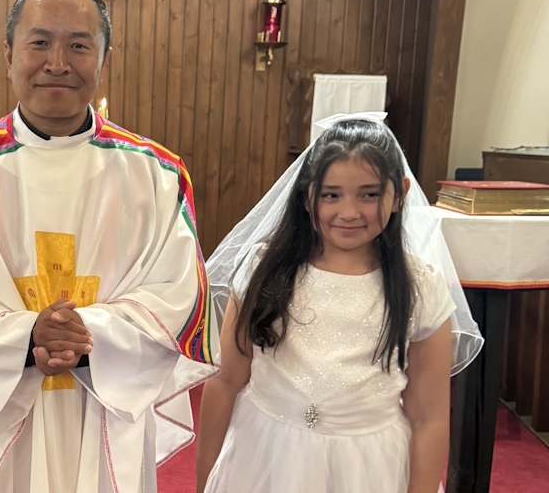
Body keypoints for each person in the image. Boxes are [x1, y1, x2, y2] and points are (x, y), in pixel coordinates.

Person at [0, 0, 218, 493]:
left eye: (78, 45)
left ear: (105, 60)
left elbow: (179, 297)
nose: (57, 63)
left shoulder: (157, 175)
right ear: (8, 55)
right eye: (39, 43)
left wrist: (87, 336)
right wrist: (25, 338)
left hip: (108, 407)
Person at [195, 114, 483, 493]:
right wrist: (204, 481)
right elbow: (227, 380)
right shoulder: (264, 268)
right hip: (265, 451)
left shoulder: (419, 285)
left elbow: (428, 416)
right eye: (331, 194)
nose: (349, 212)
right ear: (306, 196)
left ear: (400, 194)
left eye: (369, 194)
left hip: (368, 463)